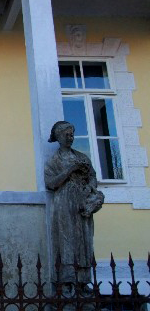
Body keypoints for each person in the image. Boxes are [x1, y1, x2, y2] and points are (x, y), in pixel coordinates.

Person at [44, 121, 103, 292]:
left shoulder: (82, 157)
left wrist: (91, 186)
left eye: (72, 134)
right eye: (66, 135)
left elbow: (92, 176)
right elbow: (51, 183)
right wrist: (69, 170)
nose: (70, 138)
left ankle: (83, 281)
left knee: (84, 238)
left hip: (82, 199)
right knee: (66, 239)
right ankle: (68, 281)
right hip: (63, 202)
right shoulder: (54, 161)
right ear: (58, 137)